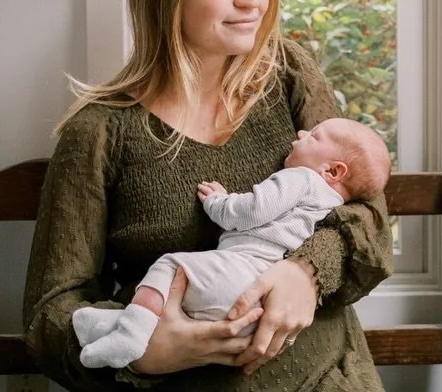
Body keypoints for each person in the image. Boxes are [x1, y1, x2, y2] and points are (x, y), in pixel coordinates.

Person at [22, 0, 400, 392]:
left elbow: (369, 214)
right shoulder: (100, 132)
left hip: (322, 383)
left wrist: (306, 273)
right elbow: (51, 311)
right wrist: (150, 353)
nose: (252, 0)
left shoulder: (288, 75)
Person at [71, 117, 391, 371]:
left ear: (333, 170)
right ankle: (115, 326)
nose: (302, 133)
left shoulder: (303, 178)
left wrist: (218, 202)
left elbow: (252, 210)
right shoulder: (333, 205)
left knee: (168, 267)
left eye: (314, 136)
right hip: (262, 307)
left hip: (245, 271)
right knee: (190, 307)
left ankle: (130, 333)